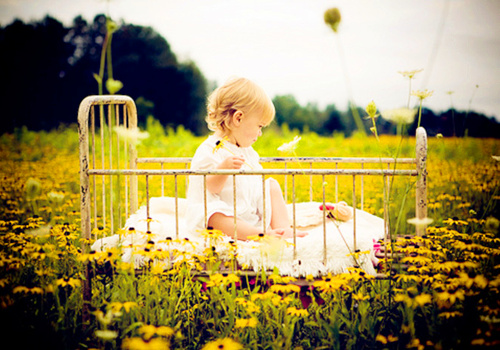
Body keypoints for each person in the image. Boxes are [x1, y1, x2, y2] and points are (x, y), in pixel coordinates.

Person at [186, 77, 308, 240]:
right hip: (223, 217)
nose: (260, 133)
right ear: (238, 118)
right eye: (259, 126)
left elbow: (255, 182)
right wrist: (223, 169)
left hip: (246, 214)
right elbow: (210, 187)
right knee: (214, 216)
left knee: (271, 185)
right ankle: (260, 235)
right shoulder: (209, 150)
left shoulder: (247, 151)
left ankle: (282, 229)